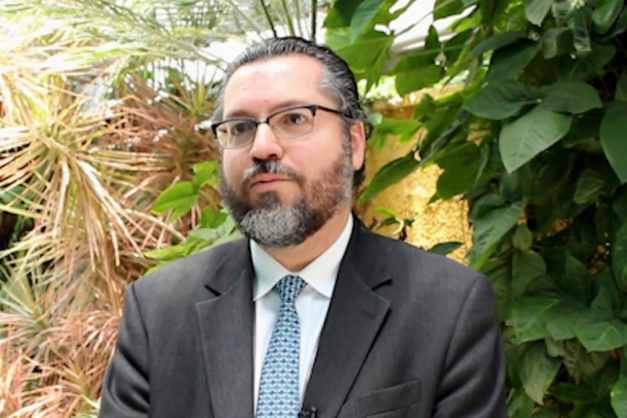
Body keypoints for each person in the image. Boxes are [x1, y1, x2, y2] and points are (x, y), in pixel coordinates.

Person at [99, 36, 506, 418]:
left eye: (294, 118)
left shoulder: (446, 308)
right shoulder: (159, 310)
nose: (262, 147)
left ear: (355, 143)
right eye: (240, 128)